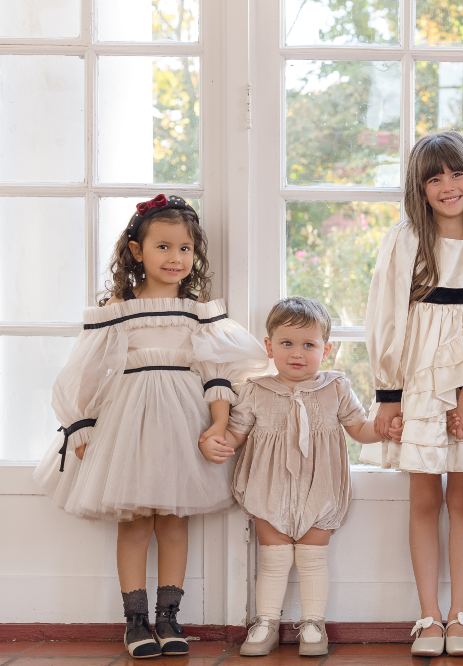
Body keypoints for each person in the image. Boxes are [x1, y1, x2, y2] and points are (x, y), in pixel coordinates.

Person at [34, 194, 266, 658]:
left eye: (184, 248)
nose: (175, 258)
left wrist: (219, 424)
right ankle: (135, 620)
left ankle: (169, 616)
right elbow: (86, 372)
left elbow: (219, 372)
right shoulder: (117, 311)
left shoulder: (199, 313)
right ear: (137, 251)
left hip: (185, 426)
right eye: (163, 247)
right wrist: (82, 428)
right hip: (129, 427)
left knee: (175, 520)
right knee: (136, 521)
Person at [360, 131, 463, 657]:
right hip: (415, 378)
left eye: (456, 173)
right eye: (434, 178)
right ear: (419, 188)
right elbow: (385, 316)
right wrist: (389, 394)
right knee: (424, 496)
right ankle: (427, 615)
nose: (448, 186)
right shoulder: (404, 241)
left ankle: (460, 615)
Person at [201, 296, 394, 657]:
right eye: (287, 343)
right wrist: (216, 440)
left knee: (312, 556)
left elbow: (358, 429)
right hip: (268, 486)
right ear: (269, 347)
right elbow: (236, 436)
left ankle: (312, 622)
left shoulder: (335, 387)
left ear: (327, 349)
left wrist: (383, 429)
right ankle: (266, 622)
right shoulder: (257, 390)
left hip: (319, 486)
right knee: (273, 557)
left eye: (309, 344)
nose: (297, 353)